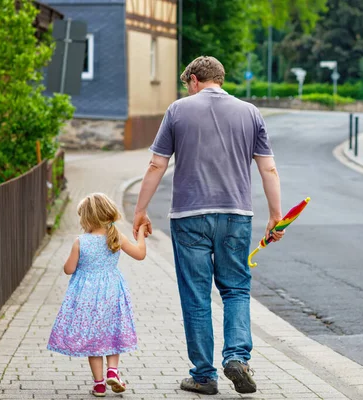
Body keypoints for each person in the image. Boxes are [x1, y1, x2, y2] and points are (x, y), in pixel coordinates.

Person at [132, 56, 284, 395]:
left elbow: (157, 164)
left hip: (189, 216)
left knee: (196, 296)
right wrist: (276, 215)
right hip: (236, 215)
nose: (188, 90)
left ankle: (203, 375)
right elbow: (268, 169)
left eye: (188, 84)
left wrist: (140, 210)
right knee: (236, 289)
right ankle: (237, 357)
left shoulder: (178, 110)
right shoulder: (250, 112)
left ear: (196, 79)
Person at [47, 193, 148, 397]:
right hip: (112, 292)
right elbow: (140, 254)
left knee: (94, 338)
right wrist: (141, 233)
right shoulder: (117, 236)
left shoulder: (80, 241)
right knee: (111, 333)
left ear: (85, 218)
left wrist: (70, 264)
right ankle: (113, 370)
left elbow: (68, 269)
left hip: (87, 297)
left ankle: (100, 385)